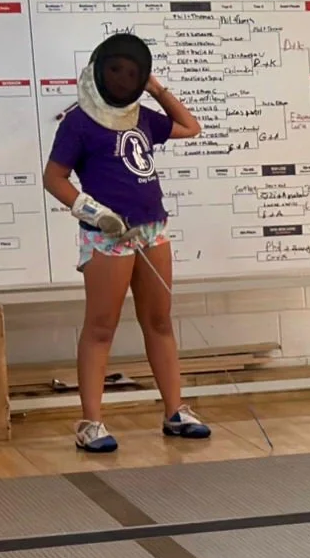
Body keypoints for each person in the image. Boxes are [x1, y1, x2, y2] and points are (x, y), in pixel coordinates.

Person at [42, 34, 207, 453]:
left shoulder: (144, 116)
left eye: (132, 73)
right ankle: (91, 423)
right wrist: (92, 212)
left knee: (160, 321)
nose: (122, 79)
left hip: (152, 231)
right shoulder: (79, 122)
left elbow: (191, 127)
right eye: (115, 70)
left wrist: (157, 88)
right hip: (107, 236)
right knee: (101, 327)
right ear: (99, 70)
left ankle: (175, 412)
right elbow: (54, 179)